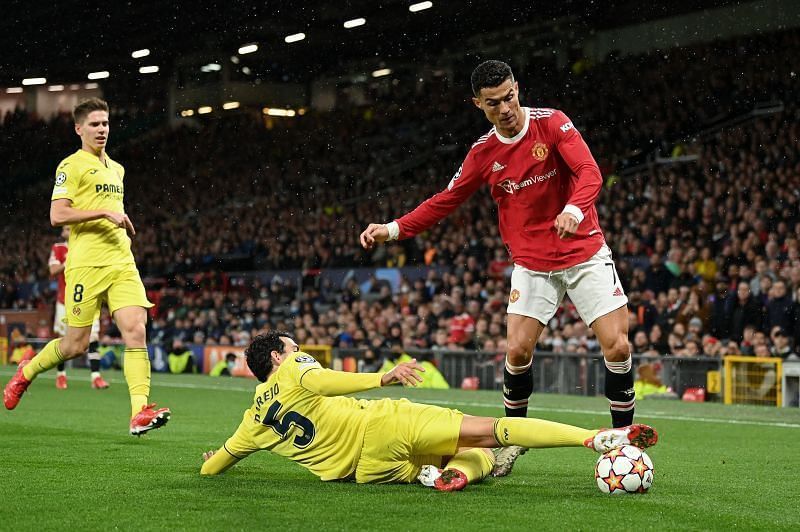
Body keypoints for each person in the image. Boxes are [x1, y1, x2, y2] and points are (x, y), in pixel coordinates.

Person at [359, 60, 634, 475]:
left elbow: (589, 171)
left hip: (584, 252)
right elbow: (445, 199)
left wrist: (575, 209)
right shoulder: (483, 153)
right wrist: (394, 229)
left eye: (509, 96)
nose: (505, 107)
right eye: (493, 103)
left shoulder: (553, 124)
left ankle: (625, 444)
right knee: (518, 351)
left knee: (618, 346)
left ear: (517, 89)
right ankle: (513, 440)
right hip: (532, 265)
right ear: (478, 105)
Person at [199, 332, 658, 491]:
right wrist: (380, 378)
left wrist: (212, 461)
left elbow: (215, 466)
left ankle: (442, 475)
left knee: (476, 460)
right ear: (277, 358)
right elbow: (319, 380)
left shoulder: (252, 422)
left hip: (365, 471)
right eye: (293, 347)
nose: (300, 351)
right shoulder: (294, 368)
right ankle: (596, 439)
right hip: (383, 423)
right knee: (495, 433)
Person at [3, 97, 170, 436]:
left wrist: (120, 225)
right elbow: (57, 215)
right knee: (75, 344)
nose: (102, 129)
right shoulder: (70, 166)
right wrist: (103, 214)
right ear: (79, 129)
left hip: (121, 262)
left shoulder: (117, 169)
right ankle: (27, 371)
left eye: (105, 123)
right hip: (85, 265)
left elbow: (112, 209)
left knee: (136, 330)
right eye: (94, 124)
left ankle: (139, 411)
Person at [48, 225, 109, 390]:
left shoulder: (87, 246)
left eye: (69, 229)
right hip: (65, 300)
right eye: (65, 229)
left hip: (88, 299)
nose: (66, 231)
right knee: (63, 337)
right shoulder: (59, 248)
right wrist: (71, 260)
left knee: (93, 337)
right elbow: (53, 270)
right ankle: (61, 375)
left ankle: (96, 377)